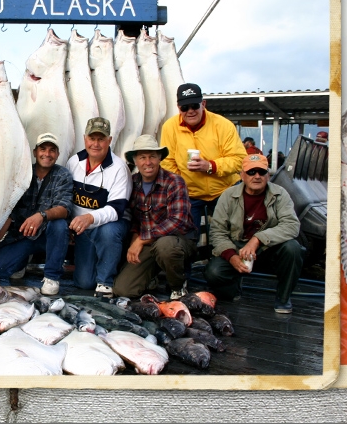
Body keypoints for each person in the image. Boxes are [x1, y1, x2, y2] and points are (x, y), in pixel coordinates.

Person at [204, 154, 304, 313]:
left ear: (268, 175)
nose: (257, 176)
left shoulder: (280, 194)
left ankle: (283, 298)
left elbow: (292, 225)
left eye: (261, 172)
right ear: (242, 175)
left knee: (293, 249)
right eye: (251, 172)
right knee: (214, 272)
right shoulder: (228, 196)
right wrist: (232, 256)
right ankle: (234, 289)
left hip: (268, 248)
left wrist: (258, 239)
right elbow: (218, 232)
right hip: (237, 246)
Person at [159, 83, 247, 245]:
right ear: (178, 107)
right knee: (186, 240)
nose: (190, 111)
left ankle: (225, 266)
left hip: (224, 190)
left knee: (232, 236)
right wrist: (182, 184)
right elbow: (167, 162)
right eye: (185, 107)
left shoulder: (223, 125)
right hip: (190, 194)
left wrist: (210, 166)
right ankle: (187, 269)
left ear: (203, 104)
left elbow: (240, 160)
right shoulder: (169, 127)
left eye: (194, 105)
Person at [0, 133, 74, 296]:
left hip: (48, 236)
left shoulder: (63, 175)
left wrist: (41, 215)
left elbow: (65, 208)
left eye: (52, 150)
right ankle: (21, 262)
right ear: (35, 152)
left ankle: (51, 277)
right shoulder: (23, 174)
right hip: (23, 236)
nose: (47, 154)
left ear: (57, 154)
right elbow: (10, 213)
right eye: (43, 149)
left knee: (60, 225)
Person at [113, 135, 197, 300]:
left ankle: (178, 287)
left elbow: (178, 222)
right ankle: (150, 276)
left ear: (159, 158)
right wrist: (134, 241)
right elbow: (135, 220)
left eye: (152, 156)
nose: (148, 162)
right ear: (135, 161)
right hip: (148, 242)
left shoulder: (175, 182)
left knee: (165, 246)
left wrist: (141, 240)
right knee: (123, 290)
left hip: (177, 241)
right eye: (142, 157)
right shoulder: (133, 182)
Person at [66, 117, 132, 298]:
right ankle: (110, 265)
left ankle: (106, 281)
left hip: (109, 226)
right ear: (84, 138)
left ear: (109, 141)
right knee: (84, 283)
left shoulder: (119, 168)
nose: (96, 143)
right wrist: (70, 224)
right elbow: (67, 199)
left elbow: (117, 209)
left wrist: (88, 218)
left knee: (108, 232)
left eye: (101, 139)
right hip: (83, 230)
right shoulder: (73, 162)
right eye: (92, 138)